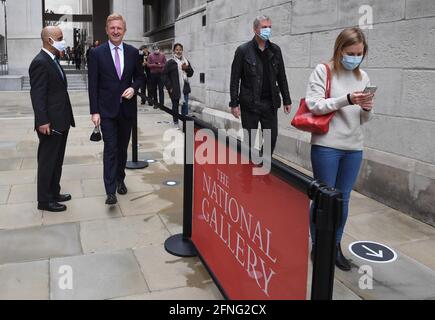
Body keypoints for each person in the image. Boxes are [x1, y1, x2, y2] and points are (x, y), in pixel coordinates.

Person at [306, 27, 375, 271]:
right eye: (350, 52)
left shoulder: (363, 77)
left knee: (343, 201)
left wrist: (366, 108)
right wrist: (346, 99)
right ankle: (318, 245)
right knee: (324, 200)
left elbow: (363, 119)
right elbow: (314, 105)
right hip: (327, 146)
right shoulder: (323, 71)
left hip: (353, 147)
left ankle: (335, 246)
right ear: (339, 50)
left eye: (359, 53)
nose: (355, 57)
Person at [88, 13, 144, 205]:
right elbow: (92, 85)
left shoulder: (133, 52)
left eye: (119, 28)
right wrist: (94, 111)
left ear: (124, 30)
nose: (116, 31)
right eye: (112, 28)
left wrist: (134, 88)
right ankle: (110, 190)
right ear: (106, 30)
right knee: (110, 149)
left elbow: (140, 77)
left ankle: (120, 179)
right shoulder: (96, 54)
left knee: (122, 149)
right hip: (106, 111)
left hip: (127, 110)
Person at [229, 15, 292, 156]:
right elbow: (235, 79)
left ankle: (263, 166)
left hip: (270, 104)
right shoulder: (243, 51)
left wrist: (286, 99)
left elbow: (281, 76)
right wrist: (234, 103)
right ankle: (247, 171)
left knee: (271, 140)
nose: (267, 30)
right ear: (255, 29)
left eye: (269, 27)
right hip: (250, 104)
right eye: (264, 27)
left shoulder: (276, 50)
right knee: (249, 142)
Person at [29, 26, 75, 212]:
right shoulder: (40, 62)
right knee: (48, 161)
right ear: (49, 40)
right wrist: (42, 121)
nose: (63, 40)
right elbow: (37, 95)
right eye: (60, 37)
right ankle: (44, 200)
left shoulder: (54, 59)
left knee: (57, 160)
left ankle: (54, 192)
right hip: (50, 123)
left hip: (61, 119)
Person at [163, 43, 194, 127]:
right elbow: (164, 75)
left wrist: (187, 68)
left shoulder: (186, 61)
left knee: (185, 106)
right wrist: (169, 87)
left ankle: (185, 123)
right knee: (175, 106)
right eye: (177, 49)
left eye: (180, 49)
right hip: (174, 89)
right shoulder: (170, 62)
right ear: (174, 51)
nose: (179, 51)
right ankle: (176, 122)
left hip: (185, 88)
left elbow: (191, 74)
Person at [147, 44, 166, 109]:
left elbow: (165, 64)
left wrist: (160, 66)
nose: (156, 50)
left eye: (157, 49)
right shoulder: (150, 55)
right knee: (154, 89)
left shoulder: (162, 55)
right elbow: (148, 65)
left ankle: (161, 104)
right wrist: (154, 65)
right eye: (155, 49)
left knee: (161, 89)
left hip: (161, 74)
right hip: (153, 74)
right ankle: (156, 104)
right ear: (153, 49)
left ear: (159, 49)